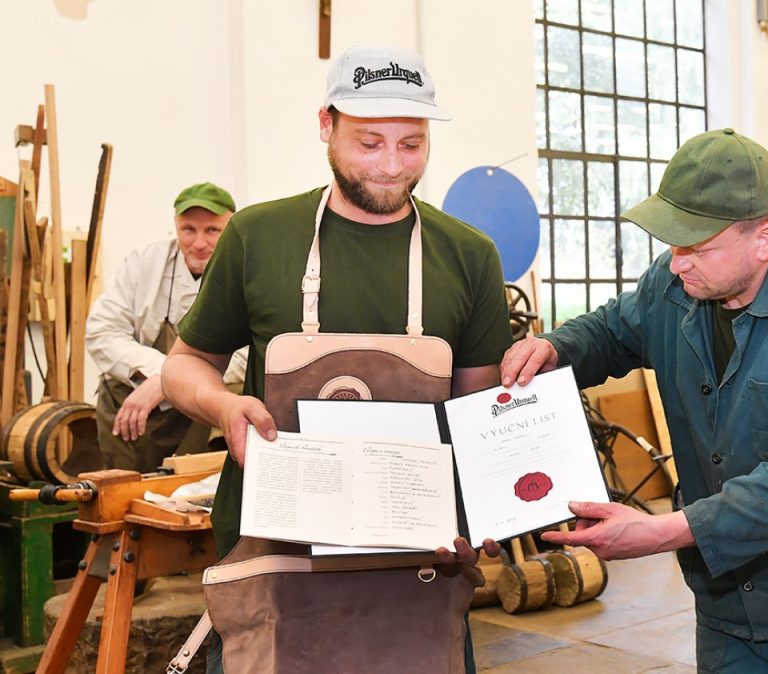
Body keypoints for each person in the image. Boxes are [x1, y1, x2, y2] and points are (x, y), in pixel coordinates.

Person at [501, 129, 768, 673]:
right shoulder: (676, 283)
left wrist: (663, 531)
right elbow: (612, 331)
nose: (677, 263)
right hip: (728, 609)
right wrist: (554, 347)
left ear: (765, 239)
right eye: (673, 244)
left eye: (697, 247)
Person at [161, 45, 512, 672]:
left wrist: (488, 502)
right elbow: (184, 363)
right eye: (369, 142)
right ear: (326, 125)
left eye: (411, 144)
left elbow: (479, 413)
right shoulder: (258, 237)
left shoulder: (469, 255)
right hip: (275, 555)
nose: (391, 166)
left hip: (417, 564)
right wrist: (221, 404)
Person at [86, 182, 245, 472]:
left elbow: (247, 355)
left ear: (230, 226)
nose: (199, 243)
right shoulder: (143, 262)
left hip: (200, 407)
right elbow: (102, 333)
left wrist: (168, 381)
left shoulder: (244, 267)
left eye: (212, 230)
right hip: (140, 404)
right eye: (188, 229)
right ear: (175, 225)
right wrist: (158, 373)